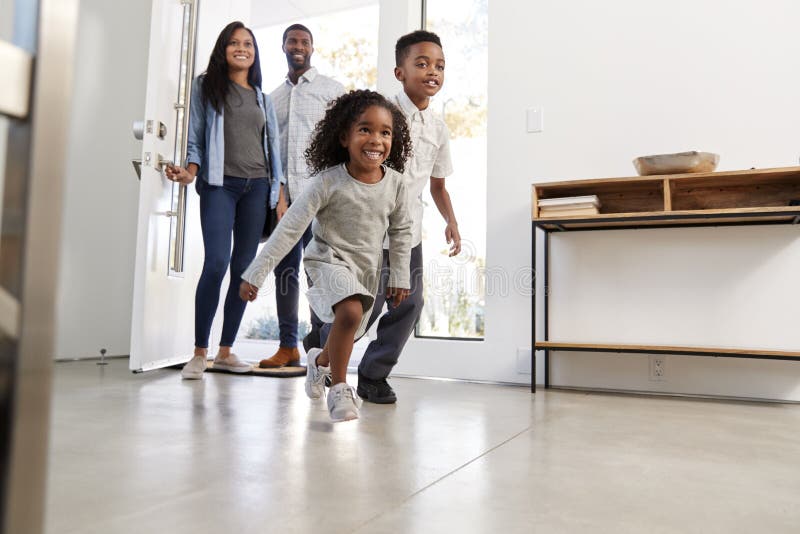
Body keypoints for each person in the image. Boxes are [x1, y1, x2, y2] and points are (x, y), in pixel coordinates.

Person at [239, 90, 413, 421]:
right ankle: (339, 390)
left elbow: (401, 231)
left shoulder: (396, 185)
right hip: (326, 261)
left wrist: (401, 275)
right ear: (344, 136)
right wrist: (256, 273)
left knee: (348, 325)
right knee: (348, 312)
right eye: (365, 129)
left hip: (366, 270)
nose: (375, 139)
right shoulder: (327, 182)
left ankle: (319, 364)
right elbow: (290, 228)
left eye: (385, 132)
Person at [307, 30, 461, 404]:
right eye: (421, 63)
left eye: (439, 66)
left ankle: (374, 376)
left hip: (410, 233)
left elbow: (437, 184)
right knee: (362, 307)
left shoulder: (438, 128)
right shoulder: (382, 114)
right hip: (367, 231)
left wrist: (451, 221)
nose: (432, 72)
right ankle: (322, 345)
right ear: (399, 71)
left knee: (410, 304)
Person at [165, 21, 283, 379]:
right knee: (216, 262)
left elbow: (273, 147)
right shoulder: (206, 86)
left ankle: (226, 350)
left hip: (258, 187)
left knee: (244, 271)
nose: (242, 48)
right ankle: (200, 353)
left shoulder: (262, 96)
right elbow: (196, 136)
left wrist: (278, 194)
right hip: (220, 185)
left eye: (248, 43)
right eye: (234, 43)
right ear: (224, 48)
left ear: (254, 52)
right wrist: (191, 169)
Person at [258, 24, 345, 369]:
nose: (298, 46)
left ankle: (322, 345)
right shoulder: (272, 99)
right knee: (286, 270)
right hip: (287, 200)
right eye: (292, 41)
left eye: (304, 41)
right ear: (283, 46)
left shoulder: (331, 90)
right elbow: (270, 152)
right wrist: (278, 193)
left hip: (322, 197)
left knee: (320, 271)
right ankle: (287, 346)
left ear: (312, 48)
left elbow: (344, 141)